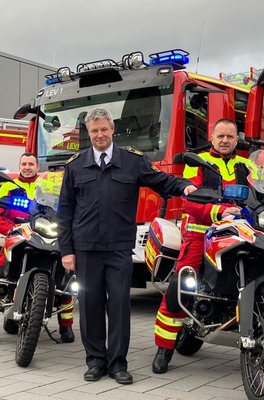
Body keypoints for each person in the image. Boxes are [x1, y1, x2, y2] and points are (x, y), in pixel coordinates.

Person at [58, 107, 196, 385]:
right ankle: (95, 362)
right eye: (94, 130)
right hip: (85, 248)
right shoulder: (75, 165)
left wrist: (184, 187)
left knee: (119, 307)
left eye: (104, 129)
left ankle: (118, 364)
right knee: (90, 305)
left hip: (119, 248)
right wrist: (67, 250)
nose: (99, 135)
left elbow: (161, 181)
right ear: (89, 133)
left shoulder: (132, 161)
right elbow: (65, 211)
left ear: (113, 130)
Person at [151, 118, 257, 374]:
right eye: (220, 136)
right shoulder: (198, 163)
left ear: (236, 138)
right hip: (201, 234)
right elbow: (190, 202)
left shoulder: (248, 165)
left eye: (230, 136)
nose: (225, 140)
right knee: (180, 287)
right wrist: (219, 211)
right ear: (212, 137)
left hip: (241, 233)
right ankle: (164, 349)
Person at [0, 152, 75, 345]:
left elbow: (59, 207)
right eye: (24, 164)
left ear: (37, 167)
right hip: (17, 233)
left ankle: (66, 326)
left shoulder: (48, 184)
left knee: (66, 279)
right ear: (19, 166)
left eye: (31, 164)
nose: (27, 167)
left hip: (44, 231)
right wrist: (11, 229)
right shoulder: (8, 185)